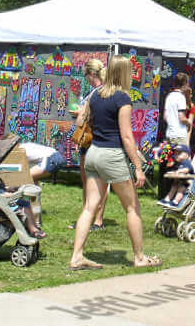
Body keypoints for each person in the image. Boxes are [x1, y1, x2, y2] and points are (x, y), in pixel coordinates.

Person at [69, 55, 161, 270]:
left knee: (90, 207)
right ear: (126, 73)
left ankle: (77, 256)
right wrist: (138, 167)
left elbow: (82, 120)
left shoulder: (96, 95)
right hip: (111, 155)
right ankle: (139, 258)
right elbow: (127, 136)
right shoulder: (122, 98)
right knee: (132, 207)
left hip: (93, 154)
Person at [30, 59, 108, 231]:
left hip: (90, 139)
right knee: (97, 181)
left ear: (91, 74)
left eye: (86, 75)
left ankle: (92, 219)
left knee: (91, 181)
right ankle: (93, 218)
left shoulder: (97, 92)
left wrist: (80, 113)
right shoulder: (104, 91)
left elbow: (86, 115)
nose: (85, 79)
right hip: (96, 140)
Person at [164, 73, 191, 146]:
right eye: (187, 83)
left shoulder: (169, 96)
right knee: (184, 156)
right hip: (179, 136)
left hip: (169, 134)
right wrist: (189, 124)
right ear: (184, 83)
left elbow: (165, 117)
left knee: (171, 157)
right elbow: (182, 118)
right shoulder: (181, 97)